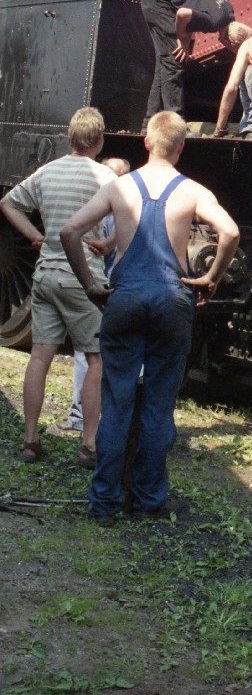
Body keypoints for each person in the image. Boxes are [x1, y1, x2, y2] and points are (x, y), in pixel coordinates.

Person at [60, 111, 240, 520]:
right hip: (172, 301)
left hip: (124, 299)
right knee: (158, 406)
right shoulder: (193, 190)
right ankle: (148, 500)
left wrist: (89, 283)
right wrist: (211, 276)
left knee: (117, 403)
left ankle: (104, 502)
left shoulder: (120, 187)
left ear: (146, 142)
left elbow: (70, 231)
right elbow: (229, 232)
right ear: (180, 148)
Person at [0, 108, 115, 465]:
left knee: (40, 356)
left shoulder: (46, 172)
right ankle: (90, 444)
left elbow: (7, 203)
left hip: (45, 274)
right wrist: (108, 246)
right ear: (99, 140)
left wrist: (35, 235)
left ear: (70, 138)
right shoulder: (106, 177)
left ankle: (31, 439)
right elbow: (126, 223)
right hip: (84, 278)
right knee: (95, 360)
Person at [60, 157, 131, 434]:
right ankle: (80, 415)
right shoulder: (100, 205)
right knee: (89, 351)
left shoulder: (119, 208)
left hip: (110, 283)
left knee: (94, 353)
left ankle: (89, 416)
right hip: (94, 283)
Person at [140, 0, 250, 125]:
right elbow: (182, 14)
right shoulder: (213, 22)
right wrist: (183, 41)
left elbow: (193, 11)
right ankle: (176, 123)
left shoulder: (228, 10)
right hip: (157, 1)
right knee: (174, 60)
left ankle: (148, 122)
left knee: (164, 63)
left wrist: (185, 37)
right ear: (225, 41)